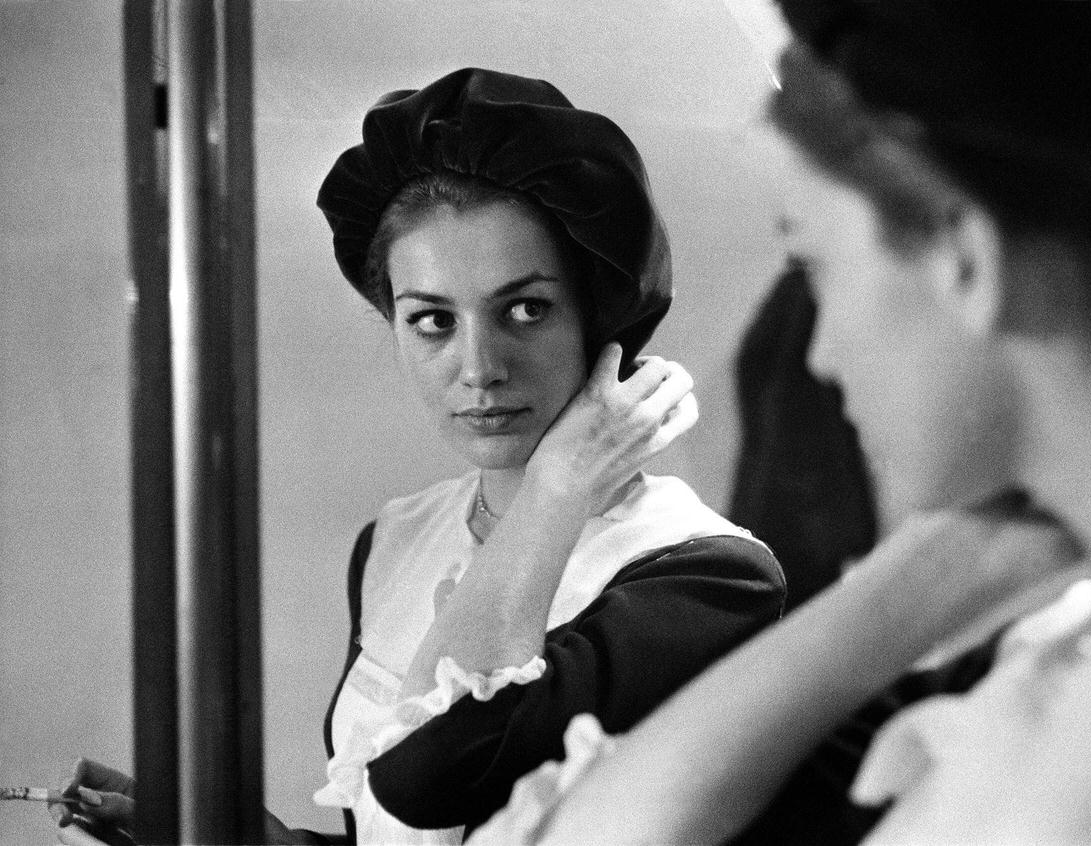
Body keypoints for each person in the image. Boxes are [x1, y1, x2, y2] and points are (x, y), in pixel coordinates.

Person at [468, 2, 1091, 844]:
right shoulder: (1051, 665)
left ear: (963, 259)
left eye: (812, 261)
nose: (819, 355)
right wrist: (917, 583)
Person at [50, 67, 785, 846]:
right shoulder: (397, 539)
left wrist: (558, 486)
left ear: (600, 317)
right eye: (433, 320)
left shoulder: (704, 579)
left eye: (526, 309)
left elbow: (423, 777)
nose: (478, 367)